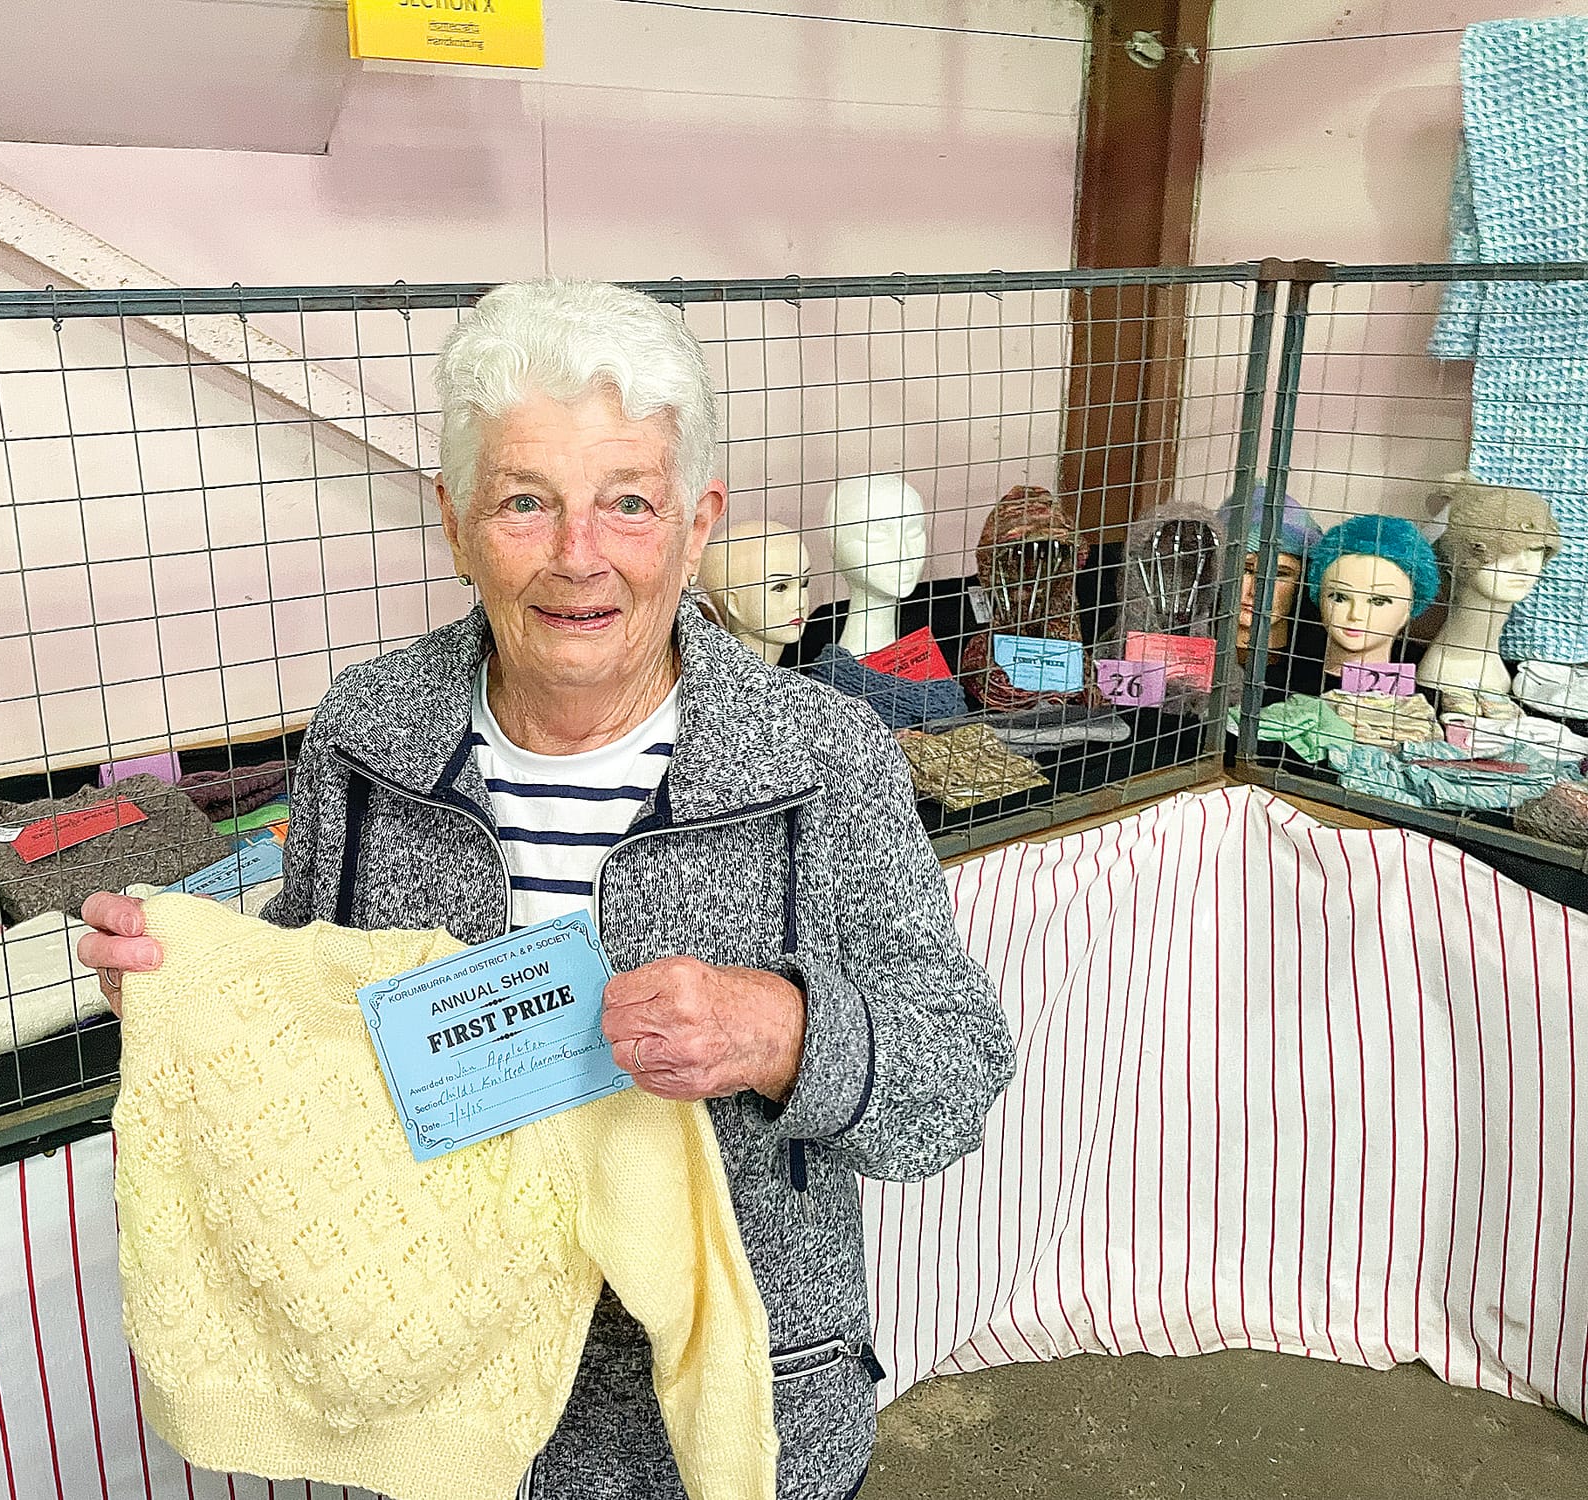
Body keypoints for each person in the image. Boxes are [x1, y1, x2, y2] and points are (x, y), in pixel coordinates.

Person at [78, 279, 1015, 1500]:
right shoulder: (371, 732)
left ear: (694, 523)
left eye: (628, 502)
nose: (579, 557)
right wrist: (200, 987)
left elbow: (953, 1076)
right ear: (455, 521)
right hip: (439, 1400)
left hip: (738, 1414)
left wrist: (782, 1032)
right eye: (526, 502)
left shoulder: (818, 755)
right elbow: (315, 1020)